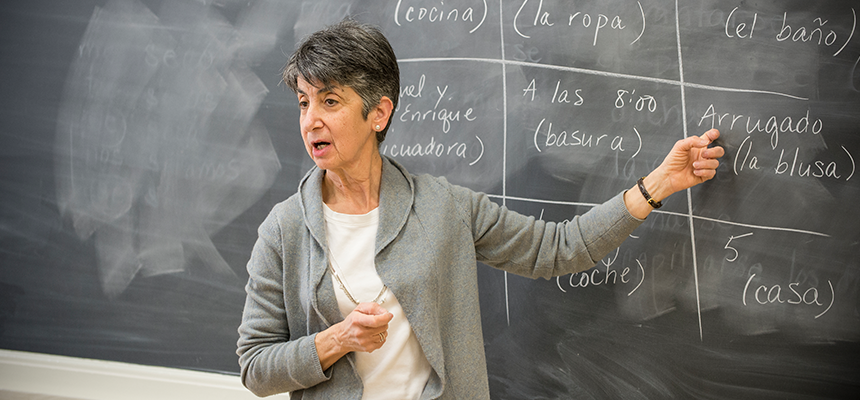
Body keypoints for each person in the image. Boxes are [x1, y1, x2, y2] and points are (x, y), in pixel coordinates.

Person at [236, 18, 725, 399]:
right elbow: (255, 367)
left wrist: (661, 181)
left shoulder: (444, 206)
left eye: (330, 101)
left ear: (378, 112)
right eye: (303, 103)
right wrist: (337, 339)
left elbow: (561, 248)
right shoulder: (284, 229)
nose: (311, 120)